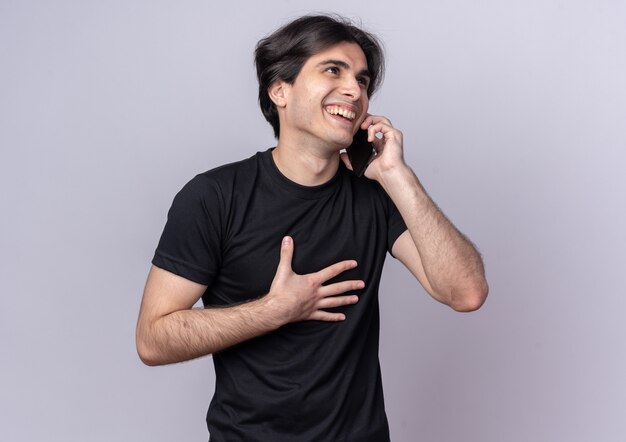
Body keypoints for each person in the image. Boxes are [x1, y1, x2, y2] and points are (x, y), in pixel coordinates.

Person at [136, 14, 488, 442]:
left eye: (362, 79)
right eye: (333, 70)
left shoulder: (375, 195)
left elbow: (465, 292)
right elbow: (152, 339)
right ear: (279, 89)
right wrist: (275, 310)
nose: (354, 90)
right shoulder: (214, 197)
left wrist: (397, 175)